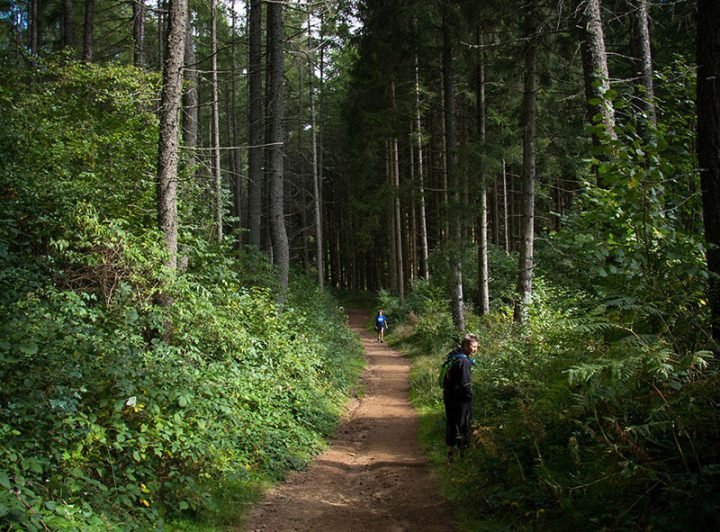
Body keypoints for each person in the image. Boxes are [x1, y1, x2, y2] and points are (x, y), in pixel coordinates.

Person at [442, 333, 478, 463]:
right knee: (463, 425)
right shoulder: (464, 361)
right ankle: (464, 455)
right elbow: (465, 384)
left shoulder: (453, 355)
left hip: (448, 395)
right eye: (473, 347)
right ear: (465, 346)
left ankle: (450, 454)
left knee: (451, 423)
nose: (475, 349)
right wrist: (470, 397)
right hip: (461, 399)